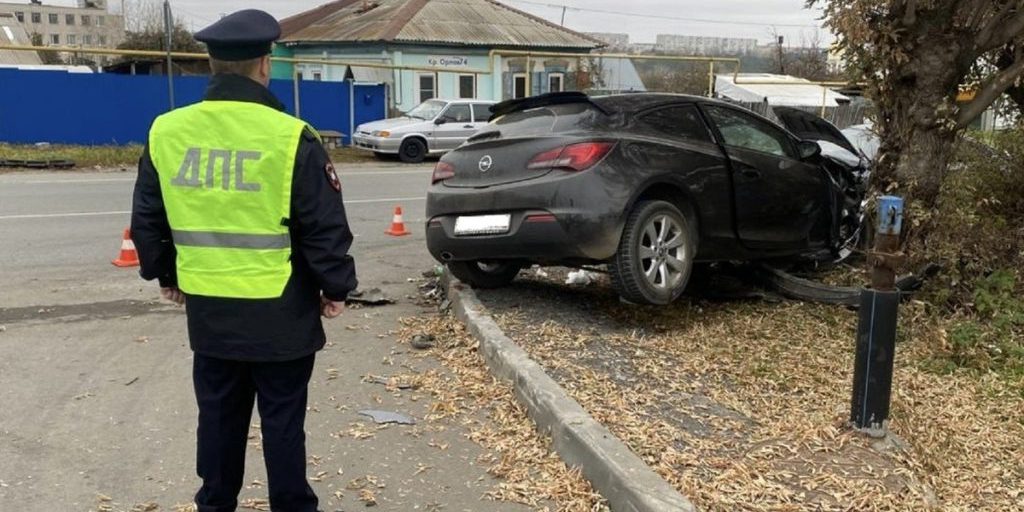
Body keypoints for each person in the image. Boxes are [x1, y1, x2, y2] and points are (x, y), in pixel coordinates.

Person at [130, 9, 357, 512]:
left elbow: (148, 216)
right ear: (264, 63)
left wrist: (165, 273)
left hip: (210, 308)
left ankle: (214, 504)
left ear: (212, 65)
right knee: (282, 422)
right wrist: (336, 286)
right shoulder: (291, 135)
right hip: (281, 308)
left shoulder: (167, 131)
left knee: (217, 417)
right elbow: (322, 225)